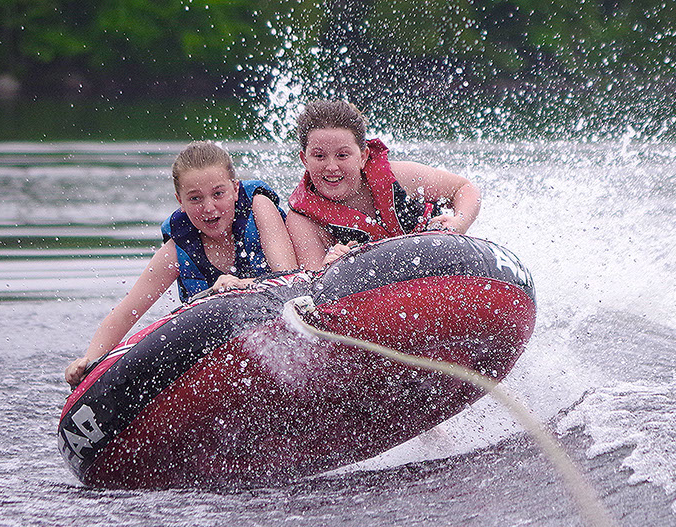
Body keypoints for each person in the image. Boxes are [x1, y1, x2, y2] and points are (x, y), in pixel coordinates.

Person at [65, 141, 297, 387]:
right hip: (221, 356)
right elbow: (125, 314)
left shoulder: (259, 207)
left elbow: (290, 280)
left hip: (280, 333)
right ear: (180, 202)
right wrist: (87, 363)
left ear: (235, 189)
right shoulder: (177, 250)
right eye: (195, 198)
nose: (209, 207)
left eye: (218, 194)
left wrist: (241, 285)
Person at [286, 100, 481, 270]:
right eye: (319, 156)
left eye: (342, 155)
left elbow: (463, 188)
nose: (331, 167)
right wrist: (330, 266)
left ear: (363, 156)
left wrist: (460, 222)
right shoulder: (302, 219)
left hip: (441, 262)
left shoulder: (399, 176)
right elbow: (313, 282)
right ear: (304, 160)